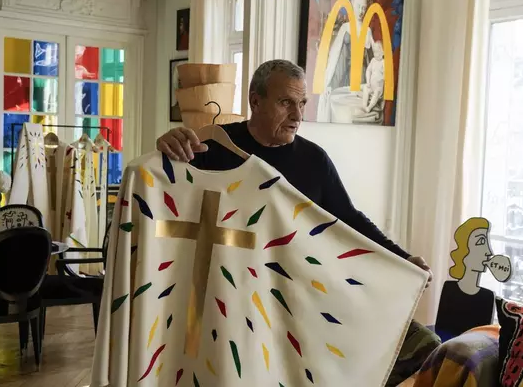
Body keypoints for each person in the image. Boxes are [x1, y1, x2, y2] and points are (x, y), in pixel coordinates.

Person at [157, 59, 440, 386]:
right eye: (285, 102)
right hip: (231, 298)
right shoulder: (213, 147)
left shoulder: (314, 160)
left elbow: (348, 220)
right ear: (255, 101)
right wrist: (166, 147)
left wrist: (402, 259)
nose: (297, 114)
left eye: (302, 103)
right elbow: (168, 196)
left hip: (302, 294)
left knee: (421, 346)